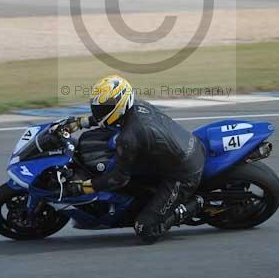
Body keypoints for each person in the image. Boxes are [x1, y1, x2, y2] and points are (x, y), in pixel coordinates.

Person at [67, 74, 206, 244]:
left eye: (103, 107)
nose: (98, 110)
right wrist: (80, 122)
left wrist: (84, 187)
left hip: (183, 173)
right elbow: (106, 120)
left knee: (145, 229)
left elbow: (117, 179)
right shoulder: (138, 105)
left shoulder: (129, 137)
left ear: (119, 104)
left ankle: (196, 204)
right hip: (181, 147)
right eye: (97, 105)